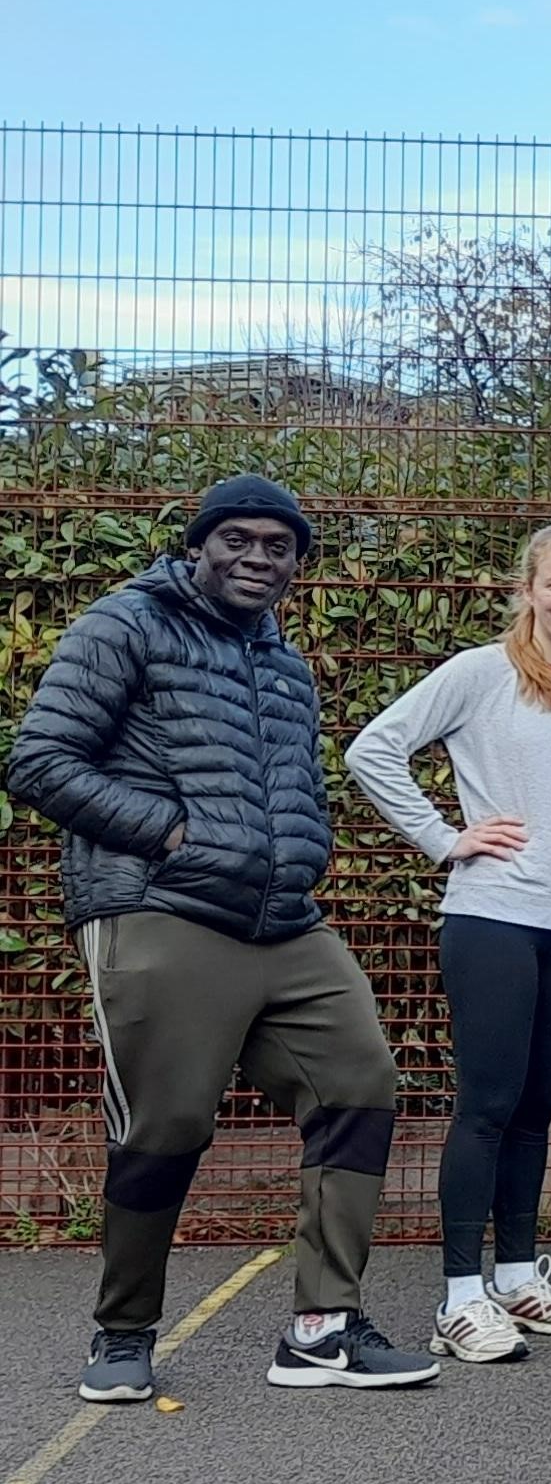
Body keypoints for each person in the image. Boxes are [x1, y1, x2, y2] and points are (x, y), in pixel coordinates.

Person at [7, 473, 438, 1400]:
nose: (257, 557)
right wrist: (171, 835)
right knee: (167, 1125)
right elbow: (39, 762)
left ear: (296, 565)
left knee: (360, 1084)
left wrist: (306, 849)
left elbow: (296, 786)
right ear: (198, 546)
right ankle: (122, 1335)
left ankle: (321, 1332)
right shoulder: (126, 624)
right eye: (237, 539)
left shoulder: (283, 664)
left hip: (283, 920)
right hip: (157, 907)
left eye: (278, 546)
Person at [349, 521, 551, 1363]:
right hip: (493, 917)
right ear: (528, 589)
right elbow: (373, 750)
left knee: (534, 1112)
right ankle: (459, 1299)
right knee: (485, 1107)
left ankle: (518, 1278)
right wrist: (448, 839)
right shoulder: (481, 674)